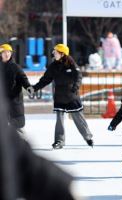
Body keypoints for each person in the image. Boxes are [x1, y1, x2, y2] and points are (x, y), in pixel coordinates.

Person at [0, 66, 79, 200]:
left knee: (19, 123)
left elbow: (10, 147)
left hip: (68, 99)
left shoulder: (14, 68)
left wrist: (59, 186)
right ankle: (59, 140)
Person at [32, 44, 93, 149]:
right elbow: (45, 80)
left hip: (71, 95)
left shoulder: (71, 64)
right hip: (59, 95)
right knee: (59, 119)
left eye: (55, 51)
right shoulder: (53, 66)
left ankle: (88, 137)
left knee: (78, 117)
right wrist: (34, 88)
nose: (53, 53)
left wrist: (76, 87)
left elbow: (78, 76)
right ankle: (59, 141)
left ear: (62, 53)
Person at [0, 43, 34, 134]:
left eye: (8, 52)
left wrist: (29, 87)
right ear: (1, 54)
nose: (6, 54)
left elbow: (23, 79)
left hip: (15, 99)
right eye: (4, 52)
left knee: (19, 122)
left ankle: (17, 135)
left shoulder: (15, 67)